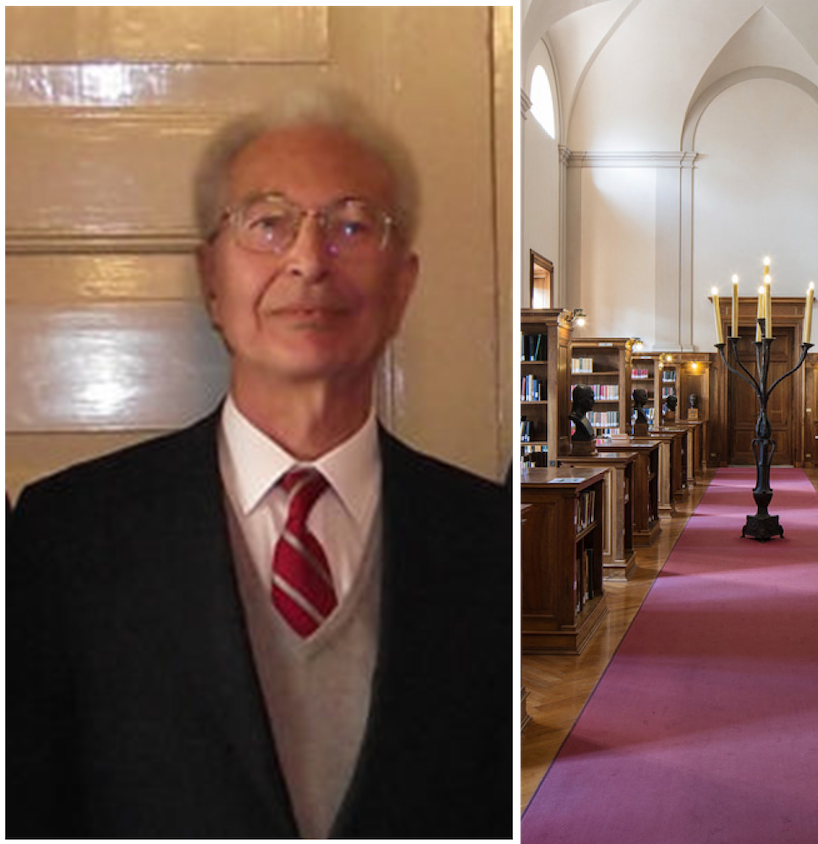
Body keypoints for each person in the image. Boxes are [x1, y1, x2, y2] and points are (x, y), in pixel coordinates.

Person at [7, 88, 511, 837]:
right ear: (212, 277)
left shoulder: (489, 538)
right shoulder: (65, 538)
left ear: (402, 285)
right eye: (269, 223)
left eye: (350, 225)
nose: (309, 260)